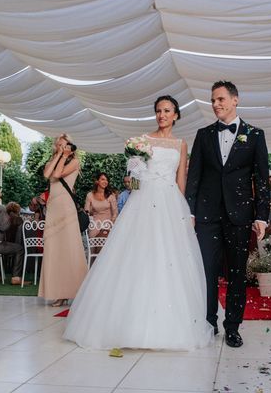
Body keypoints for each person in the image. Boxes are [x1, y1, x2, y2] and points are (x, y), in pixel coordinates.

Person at [64, 96, 212, 350]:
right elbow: (131, 181)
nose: (162, 115)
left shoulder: (181, 144)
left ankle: (167, 324)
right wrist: (134, 172)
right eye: (158, 111)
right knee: (137, 255)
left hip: (170, 202)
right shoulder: (141, 141)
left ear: (176, 115)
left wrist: (185, 211)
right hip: (143, 201)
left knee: (170, 257)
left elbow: (181, 182)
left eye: (167, 111)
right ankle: (125, 323)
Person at [186, 80, 270, 348]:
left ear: (235, 100)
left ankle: (232, 327)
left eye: (220, 99)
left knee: (236, 274)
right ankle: (208, 322)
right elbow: (194, 178)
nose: (215, 104)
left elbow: (262, 178)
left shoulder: (255, 135)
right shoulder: (203, 135)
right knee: (207, 271)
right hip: (207, 215)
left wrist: (261, 216)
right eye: (212, 100)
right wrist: (189, 211)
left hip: (240, 215)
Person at [38, 133, 88, 307]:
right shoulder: (52, 160)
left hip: (66, 208)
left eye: (65, 145)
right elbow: (47, 174)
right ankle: (56, 292)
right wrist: (59, 155)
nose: (62, 147)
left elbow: (58, 174)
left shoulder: (74, 162)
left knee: (69, 249)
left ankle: (72, 291)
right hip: (53, 208)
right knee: (54, 250)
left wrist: (64, 156)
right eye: (59, 145)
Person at [0, 196, 27, 285]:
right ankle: (16, 277)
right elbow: (3, 227)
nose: (0, 195)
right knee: (19, 248)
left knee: (0, 250)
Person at [85, 172, 117, 238]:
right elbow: (87, 212)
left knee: (102, 238)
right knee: (94, 241)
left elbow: (115, 214)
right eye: (103, 179)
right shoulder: (90, 195)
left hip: (108, 224)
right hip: (95, 225)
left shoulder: (111, 196)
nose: (105, 181)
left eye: (106, 180)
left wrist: (110, 225)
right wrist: (90, 211)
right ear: (97, 181)